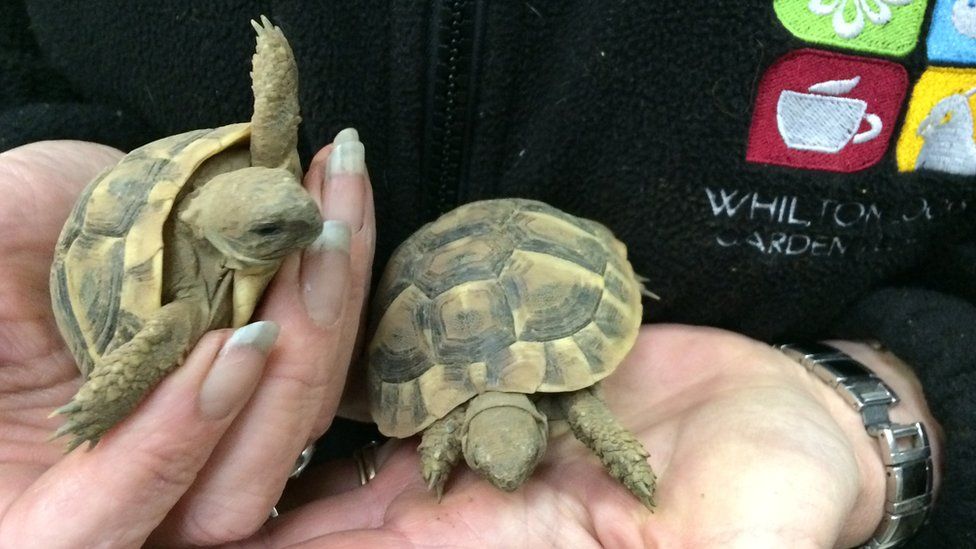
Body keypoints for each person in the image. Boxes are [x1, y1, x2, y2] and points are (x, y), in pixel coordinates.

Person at [0, 2, 971, 547]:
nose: (499, 473)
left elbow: (587, 417)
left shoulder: (562, 413)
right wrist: (38, 149)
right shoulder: (468, 428)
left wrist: (887, 409)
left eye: (481, 461)